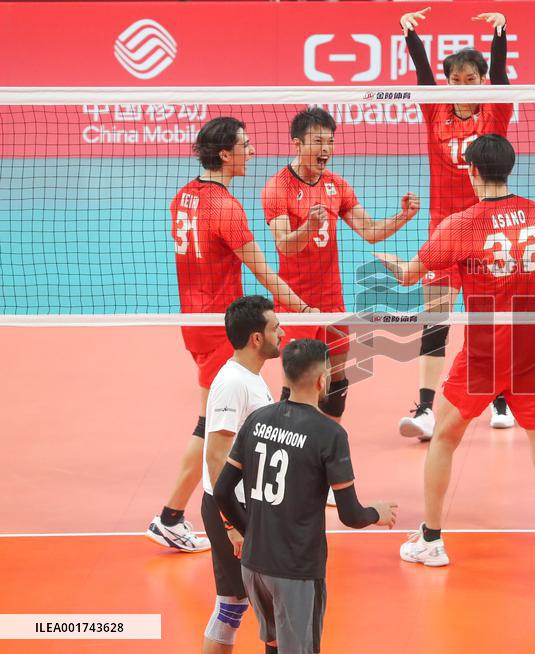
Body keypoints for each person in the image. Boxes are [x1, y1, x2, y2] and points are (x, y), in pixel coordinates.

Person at [376, 134, 535, 579]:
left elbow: (413, 276)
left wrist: (393, 263)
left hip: (485, 353)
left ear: (470, 171)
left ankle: (430, 539)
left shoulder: (461, 224)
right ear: (510, 168)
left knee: (445, 440)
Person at [145, 116, 314, 553]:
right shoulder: (227, 208)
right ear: (225, 154)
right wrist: (301, 305)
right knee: (219, 428)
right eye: (246, 145)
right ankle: (218, 518)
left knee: (210, 424)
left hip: (195, 321)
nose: (252, 151)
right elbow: (262, 269)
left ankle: (171, 516)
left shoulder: (183, 197)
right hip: (223, 327)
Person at [214, 338, 398, 654]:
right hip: (295, 571)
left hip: (254, 566)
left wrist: (250, 531)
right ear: (321, 380)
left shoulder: (257, 420)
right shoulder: (330, 435)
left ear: (285, 377)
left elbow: (221, 492)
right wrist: (376, 513)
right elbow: (350, 515)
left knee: (272, 644)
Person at [396, 6, 516, 439]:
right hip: (444, 230)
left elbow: (501, 77)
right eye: (456, 79)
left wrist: (501, 33)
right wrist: (411, 36)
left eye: (471, 78)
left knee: (486, 318)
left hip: (488, 230)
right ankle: (426, 409)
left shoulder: (495, 113)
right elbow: (422, 76)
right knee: (436, 317)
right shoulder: (435, 111)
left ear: (482, 80)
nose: (463, 86)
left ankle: (500, 399)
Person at [262, 106, 420, 422]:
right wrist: (308, 226)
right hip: (295, 302)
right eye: (318, 141)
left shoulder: (336, 185)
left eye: (330, 142)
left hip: (332, 299)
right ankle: (293, 445)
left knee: (337, 379)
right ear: (297, 144)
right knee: (298, 383)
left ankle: (330, 443)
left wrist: (403, 216)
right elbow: (285, 245)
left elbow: (371, 232)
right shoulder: (277, 187)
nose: (326, 150)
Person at [200, 296, 281, 654]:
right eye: (275, 327)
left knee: (232, 607)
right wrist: (232, 524)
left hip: (249, 507)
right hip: (236, 512)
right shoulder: (233, 384)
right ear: (256, 338)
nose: (282, 332)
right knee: (277, 609)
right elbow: (216, 455)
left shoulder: (251, 378)